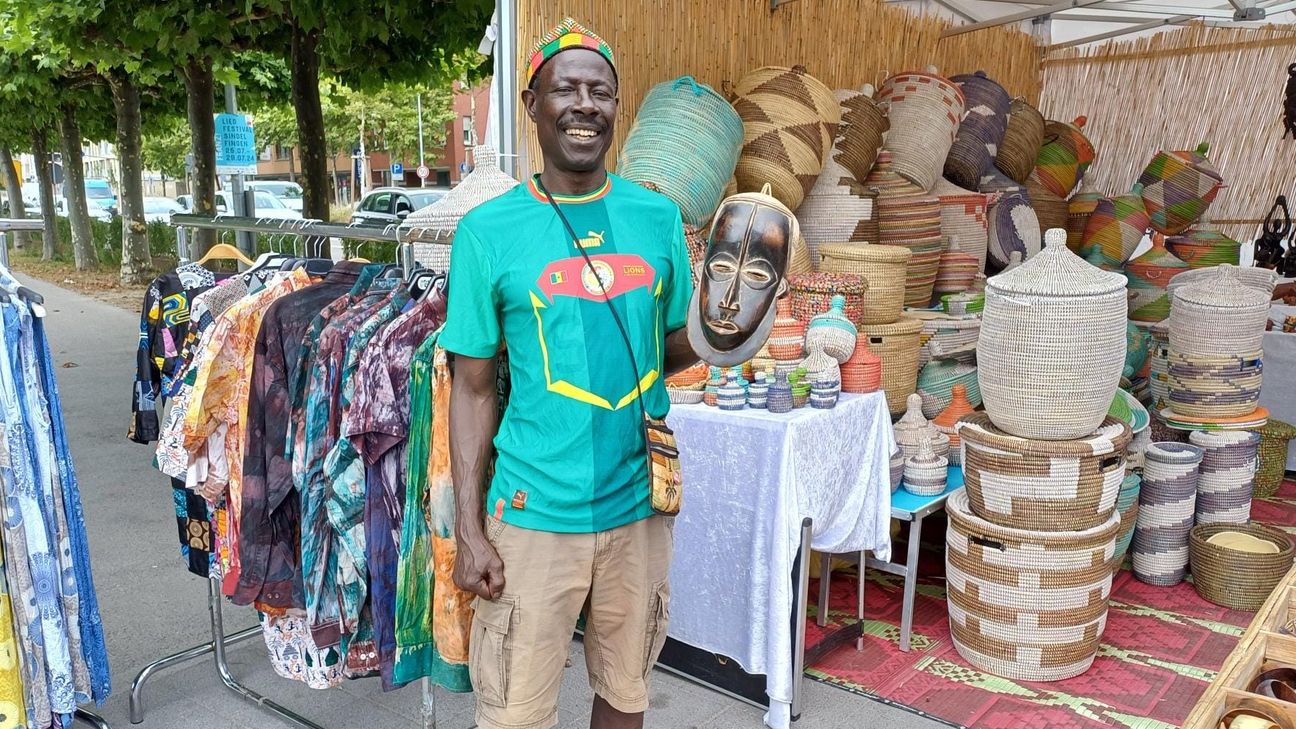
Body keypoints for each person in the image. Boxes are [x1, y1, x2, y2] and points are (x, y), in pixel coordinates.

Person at [439, 17, 697, 729]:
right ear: (532, 105)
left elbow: (669, 348)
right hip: (531, 514)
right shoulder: (487, 233)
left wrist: (725, 334)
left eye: (602, 91)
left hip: (638, 510)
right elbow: (471, 386)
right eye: (567, 89)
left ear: (618, 106)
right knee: (515, 713)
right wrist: (470, 529)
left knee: (626, 694)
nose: (586, 104)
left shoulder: (657, 218)